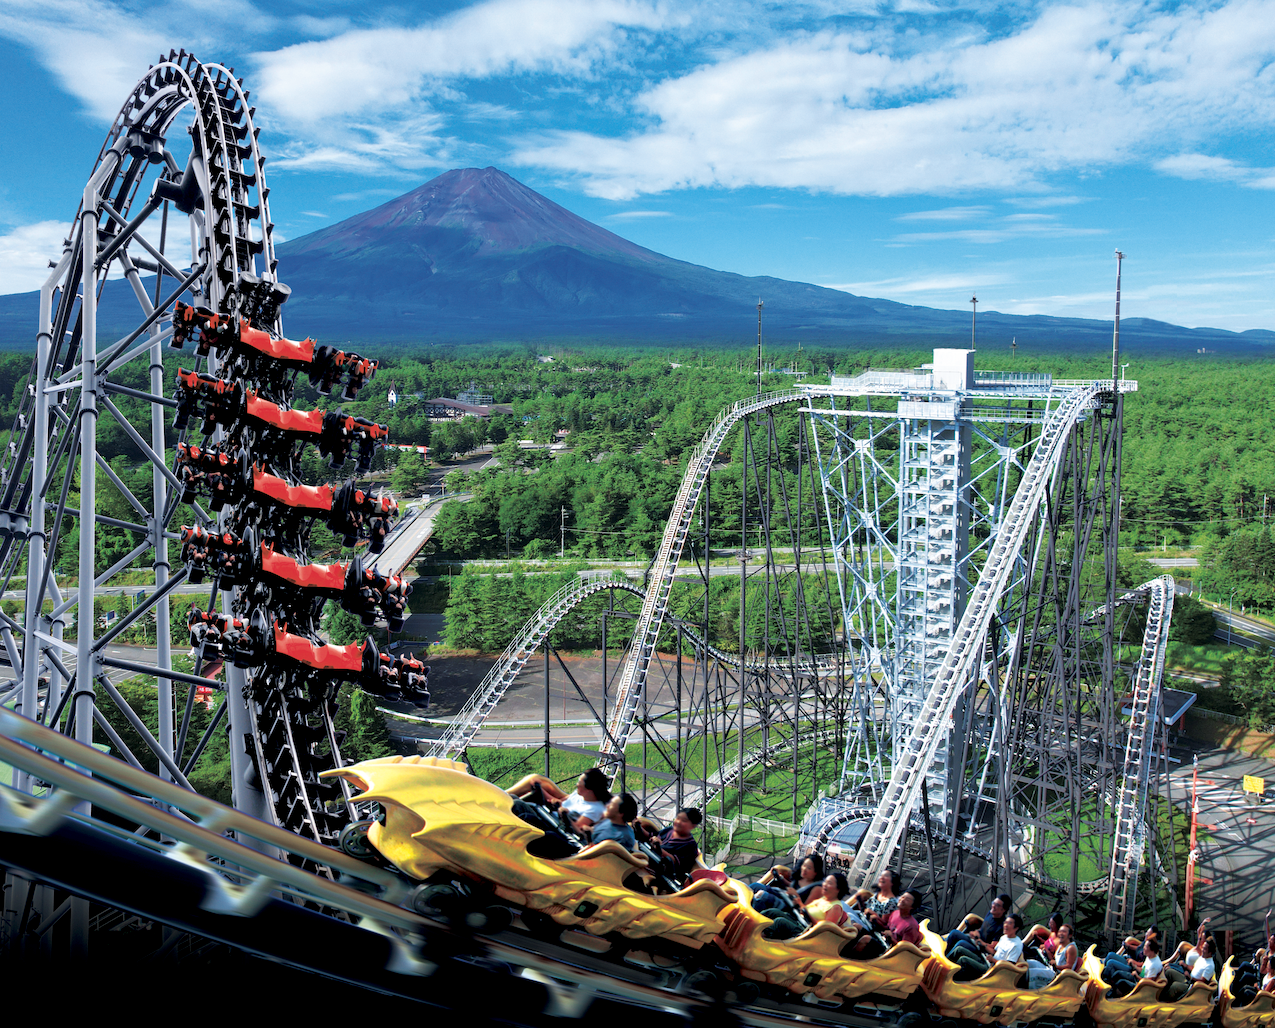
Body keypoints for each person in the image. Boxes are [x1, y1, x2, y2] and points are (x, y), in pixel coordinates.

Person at [507, 768, 611, 831]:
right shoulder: (580, 795)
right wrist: (543, 791)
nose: (576, 784)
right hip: (547, 814)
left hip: (552, 825)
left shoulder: (593, 809)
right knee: (513, 798)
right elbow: (562, 801)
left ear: (589, 789)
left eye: (580, 783)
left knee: (517, 805)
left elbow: (576, 830)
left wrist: (560, 811)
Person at [653, 807, 702, 879]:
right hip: (651, 858)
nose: (678, 822)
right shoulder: (669, 830)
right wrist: (638, 826)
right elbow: (651, 835)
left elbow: (675, 862)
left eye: (684, 821)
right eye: (678, 818)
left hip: (665, 875)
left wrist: (659, 848)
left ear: (692, 826)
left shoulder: (690, 846)